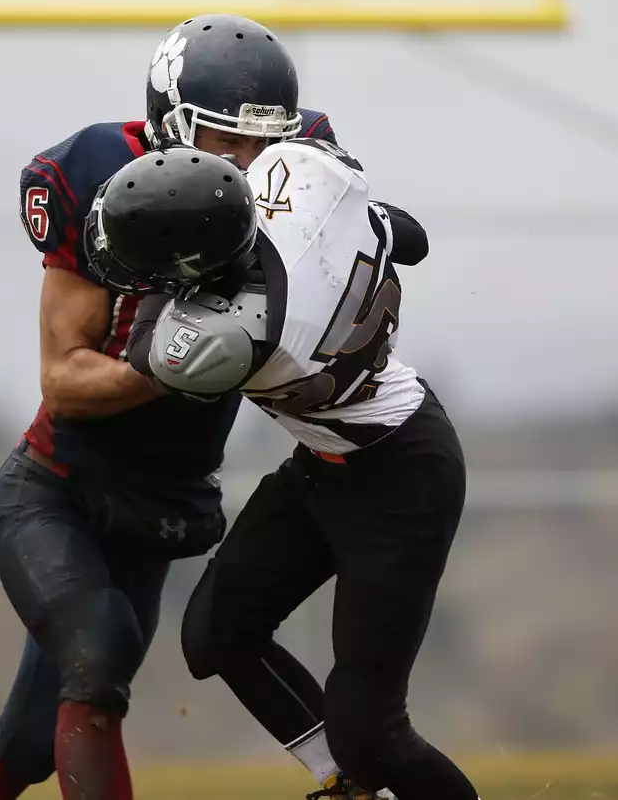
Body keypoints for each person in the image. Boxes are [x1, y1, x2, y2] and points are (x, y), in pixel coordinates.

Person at [0, 14, 349, 800]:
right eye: (228, 143)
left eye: (264, 145)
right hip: (59, 490)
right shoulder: (96, 179)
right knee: (100, 654)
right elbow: (63, 378)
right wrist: (172, 364)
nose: (251, 166)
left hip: (159, 508)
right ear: (172, 129)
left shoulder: (298, 168)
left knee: (24, 745)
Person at [107, 141, 477, 800]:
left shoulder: (239, 332)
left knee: (371, 732)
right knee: (217, 634)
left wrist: (159, 275)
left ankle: (366, 776)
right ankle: (347, 786)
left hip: (399, 476)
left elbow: (147, 350)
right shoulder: (290, 201)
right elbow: (406, 236)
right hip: (329, 458)